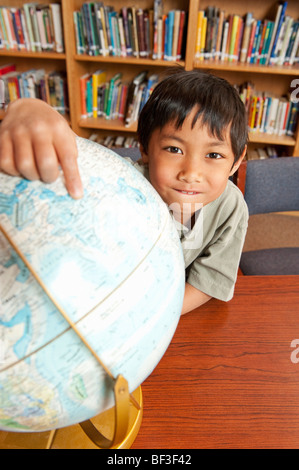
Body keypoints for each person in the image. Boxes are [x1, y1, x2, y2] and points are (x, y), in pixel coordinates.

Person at [0, 68, 248, 315]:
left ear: (237, 161)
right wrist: (29, 108)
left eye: (214, 155)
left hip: (154, 312)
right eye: (174, 149)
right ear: (145, 149)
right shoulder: (119, 183)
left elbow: (210, 280)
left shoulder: (231, 206)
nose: (191, 173)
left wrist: (154, 316)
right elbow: (70, 159)